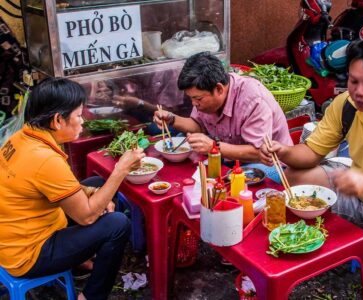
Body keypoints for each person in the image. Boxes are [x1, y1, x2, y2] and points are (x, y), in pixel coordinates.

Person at [260, 36, 363, 299]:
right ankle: (310, 249)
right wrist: (285, 151)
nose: (359, 91)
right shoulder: (347, 105)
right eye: (353, 80)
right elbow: (311, 153)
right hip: (358, 192)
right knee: (295, 177)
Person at [0, 77, 145, 300]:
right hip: (29, 253)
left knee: (97, 185)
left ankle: (77, 263)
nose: (82, 122)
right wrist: (121, 170)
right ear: (58, 120)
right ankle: (90, 296)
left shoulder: (22, 136)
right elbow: (86, 217)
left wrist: (95, 193)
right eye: (78, 116)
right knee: (117, 225)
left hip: (19, 231)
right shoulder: (45, 160)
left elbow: (49, 188)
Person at [153, 51, 292, 163]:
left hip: (267, 165)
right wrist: (171, 119)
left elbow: (258, 152)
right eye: (191, 98)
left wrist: (213, 146)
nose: (194, 103)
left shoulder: (253, 100)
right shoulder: (205, 97)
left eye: (198, 98)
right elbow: (198, 126)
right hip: (229, 158)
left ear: (219, 89)